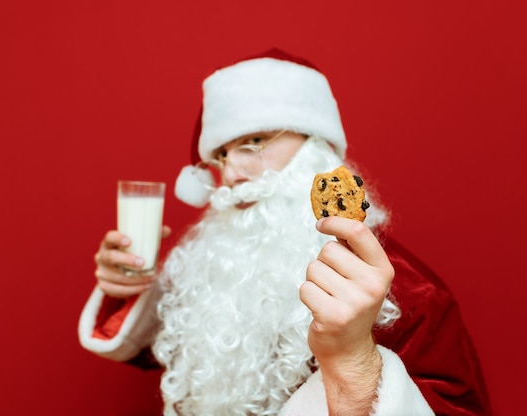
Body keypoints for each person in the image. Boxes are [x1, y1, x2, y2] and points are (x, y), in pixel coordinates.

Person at [78, 49, 491, 415]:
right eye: (221, 156)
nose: (234, 174)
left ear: (316, 146)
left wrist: (353, 358)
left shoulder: (406, 289)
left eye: (254, 142)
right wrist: (127, 287)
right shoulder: (219, 262)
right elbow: (185, 350)